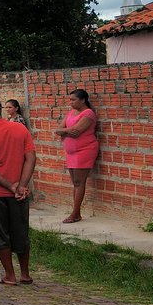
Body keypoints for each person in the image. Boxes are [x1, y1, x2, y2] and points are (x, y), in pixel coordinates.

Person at [0, 97, 36, 286]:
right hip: (19, 193)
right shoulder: (20, 129)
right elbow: (31, 158)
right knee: (20, 231)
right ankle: (25, 274)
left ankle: (10, 275)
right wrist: (22, 185)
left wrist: (10, 186)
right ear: (0, 111)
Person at [54, 88, 98, 223]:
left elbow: (77, 131)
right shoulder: (72, 112)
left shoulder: (88, 113)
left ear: (83, 100)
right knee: (75, 183)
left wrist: (64, 131)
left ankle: (75, 213)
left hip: (84, 150)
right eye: (70, 100)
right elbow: (58, 130)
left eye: (73, 100)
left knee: (79, 182)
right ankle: (76, 212)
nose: (70, 102)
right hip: (71, 153)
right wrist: (67, 131)